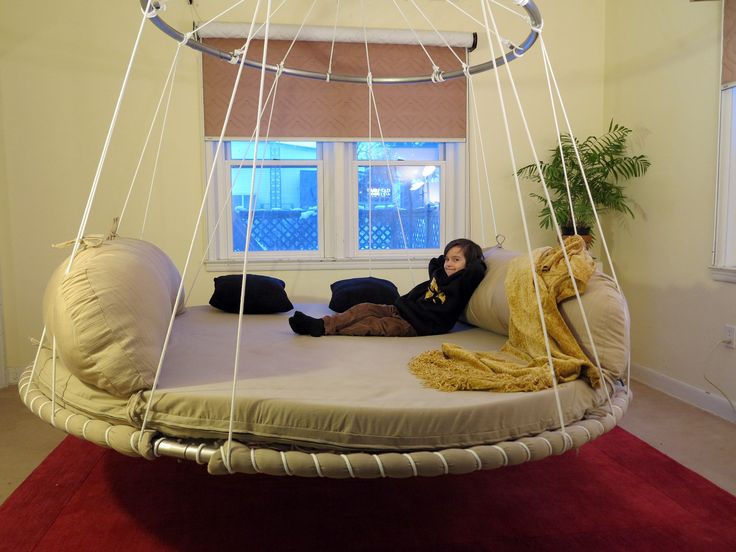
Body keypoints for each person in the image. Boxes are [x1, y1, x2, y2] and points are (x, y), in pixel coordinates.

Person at [289, 238, 486, 337]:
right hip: (401, 308)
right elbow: (436, 262)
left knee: (375, 325)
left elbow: (477, 270)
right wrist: (449, 258)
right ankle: (323, 324)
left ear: (468, 265)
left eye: (456, 260)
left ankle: (329, 331)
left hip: (417, 325)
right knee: (364, 308)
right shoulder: (441, 274)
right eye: (448, 259)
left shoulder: (463, 282)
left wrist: (474, 260)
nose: (449, 263)